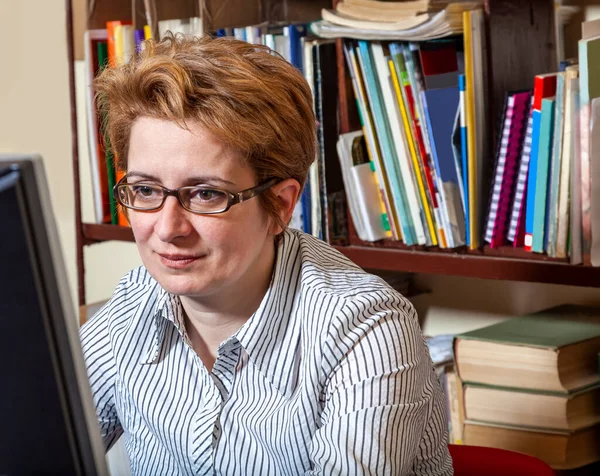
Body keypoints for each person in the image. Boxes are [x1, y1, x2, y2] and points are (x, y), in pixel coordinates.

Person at [80, 33, 453, 475]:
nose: (167, 228)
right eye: (145, 190)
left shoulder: (365, 329)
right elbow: (40, 441)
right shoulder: (137, 301)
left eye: (204, 194)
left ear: (280, 204)